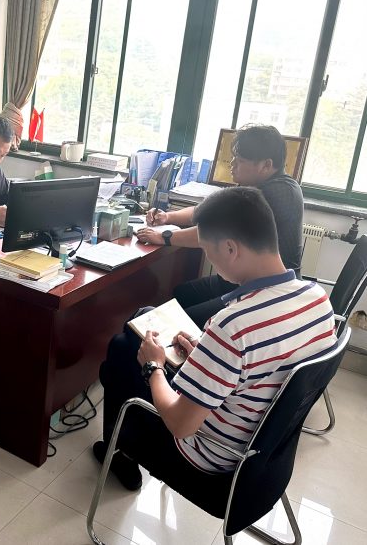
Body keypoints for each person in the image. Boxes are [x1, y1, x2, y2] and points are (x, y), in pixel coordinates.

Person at [93, 187, 335, 492]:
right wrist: (208, 357)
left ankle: (120, 454)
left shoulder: (233, 325)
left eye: (208, 250)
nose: (208, 257)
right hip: (265, 455)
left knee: (122, 352)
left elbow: (180, 425)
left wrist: (154, 367)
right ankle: (119, 450)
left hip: (210, 460)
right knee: (144, 321)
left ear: (231, 249)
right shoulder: (317, 298)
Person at [136, 125, 303, 327]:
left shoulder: (276, 194)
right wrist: (168, 217)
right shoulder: (258, 185)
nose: (232, 164)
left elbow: (214, 233)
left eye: (240, 161)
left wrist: (165, 237)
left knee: (183, 321)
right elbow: (207, 211)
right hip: (242, 279)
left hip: (265, 290)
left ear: (266, 165)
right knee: (183, 293)